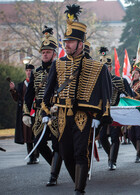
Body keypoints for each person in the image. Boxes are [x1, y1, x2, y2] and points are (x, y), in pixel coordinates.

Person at [41, 4, 112, 194]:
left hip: (83, 114)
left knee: (81, 152)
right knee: (66, 153)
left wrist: (102, 115)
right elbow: (48, 91)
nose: (67, 44)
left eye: (71, 41)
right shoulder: (58, 65)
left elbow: (106, 93)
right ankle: (78, 183)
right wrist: (45, 110)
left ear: (81, 43)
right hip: (63, 115)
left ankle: (79, 190)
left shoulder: (97, 67)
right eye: (66, 41)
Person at [23, 26, 62, 186]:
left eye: (48, 52)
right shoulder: (36, 72)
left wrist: (58, 104)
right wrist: (26, 113)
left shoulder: (60, 69)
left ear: (54, 54)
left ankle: (53, 175)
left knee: (58, 144)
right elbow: (29, 94)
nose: (45, 54)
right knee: (39, 142)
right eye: (43, 52)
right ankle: (55, 163)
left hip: (56, 112)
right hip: (40, 113)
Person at [98, 47, 133, 170]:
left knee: (114, 136)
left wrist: (123, 95)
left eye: (106, 67)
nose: (104, 70)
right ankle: (110, 155)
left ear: (110, 68)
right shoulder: (96, 82)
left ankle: (112, 160)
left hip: (116, 112)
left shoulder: (119, 81)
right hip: (102, 112)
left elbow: (131, 96)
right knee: (102, 137)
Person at [9, 63, 39, 165]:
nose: (29, 72)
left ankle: (36, 154)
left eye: (30, 71)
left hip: (35, 111)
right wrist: (13, 90)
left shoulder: (37, 83)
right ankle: (31, 156)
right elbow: (17, 98)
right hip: (25, 113)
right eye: (27, 71)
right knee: (27, 136)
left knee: (35, 134)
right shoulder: (21, 85)